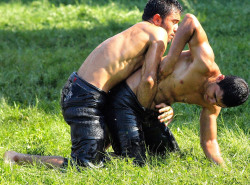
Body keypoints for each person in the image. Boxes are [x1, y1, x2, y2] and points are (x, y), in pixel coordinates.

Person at [3, 0, 183, 168]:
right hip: (85, 98)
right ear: (158, 19)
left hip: (88, 93)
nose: (176, 29)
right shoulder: (157, 33)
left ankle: (95, 154)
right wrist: (149, 113)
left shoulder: (139, 34)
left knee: (108, 160)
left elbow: (139, 86)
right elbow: (149, 80)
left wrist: (164, 106)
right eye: (174, 22)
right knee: (85, 165)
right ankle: (17, 157)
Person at [105, 13, 249, 166]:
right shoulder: (204, 63)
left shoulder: (212, 106)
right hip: (128, 99)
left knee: (169, 155)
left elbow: (209, 141)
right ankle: (95, 158)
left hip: (150, 112)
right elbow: (190, 20)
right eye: (214, 95)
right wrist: (172, 57)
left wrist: (223, 166)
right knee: (134, 161)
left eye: (217, 103)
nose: (211, 101)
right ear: (220, 78)